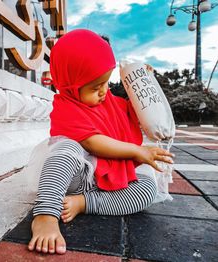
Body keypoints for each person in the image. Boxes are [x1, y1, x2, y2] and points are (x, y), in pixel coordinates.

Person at [27, 29, 174, 255]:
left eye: (106, 83)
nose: (104, 92)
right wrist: (137, 151)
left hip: (109, 181)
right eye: (95, 87)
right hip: (81, 175)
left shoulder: (111, 102)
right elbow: (94, 143)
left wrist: (143, 86)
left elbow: (135, 115)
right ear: (70, 84)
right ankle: (46, 212)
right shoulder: (65, 107)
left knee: (146, 189)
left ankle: (85, 203)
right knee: (66, 149)